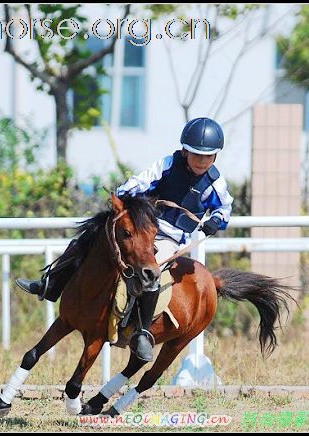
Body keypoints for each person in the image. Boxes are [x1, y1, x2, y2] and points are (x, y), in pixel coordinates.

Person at [16, 117, 234, 362]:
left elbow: (224, 208)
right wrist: (124, 193)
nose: (201, 161)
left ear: (215, 157)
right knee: (88, 240)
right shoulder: (168, 164)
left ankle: (141, 333)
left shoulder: (215, 183)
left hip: (171, 239)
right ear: (184, 151)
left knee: (152, 272)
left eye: (208, 156)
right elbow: (143, 180)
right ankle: (50, 284)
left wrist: (216, 221)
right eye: (196, 155)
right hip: (144, 226)